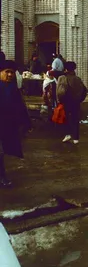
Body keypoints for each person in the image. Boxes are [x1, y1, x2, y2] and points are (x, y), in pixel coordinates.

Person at [0, 60, 32, 188]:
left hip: (6, 126)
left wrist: (26, 123)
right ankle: (2, 177)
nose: (9, 75)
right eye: (7, 72)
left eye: (12, 72)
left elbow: (20, 107)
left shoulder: (12, 88)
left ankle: (2, 177)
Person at [57, 61, 87, 144]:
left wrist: (59, 100)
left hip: (66, 102)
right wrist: (80, 99)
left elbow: (59, 92)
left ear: (66, 68)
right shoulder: (78, 79)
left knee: (65, 118)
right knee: (75, 119)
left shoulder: (62, 78)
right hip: (76, 102)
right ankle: (76, 138)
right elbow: (84, 91)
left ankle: (67, 134)